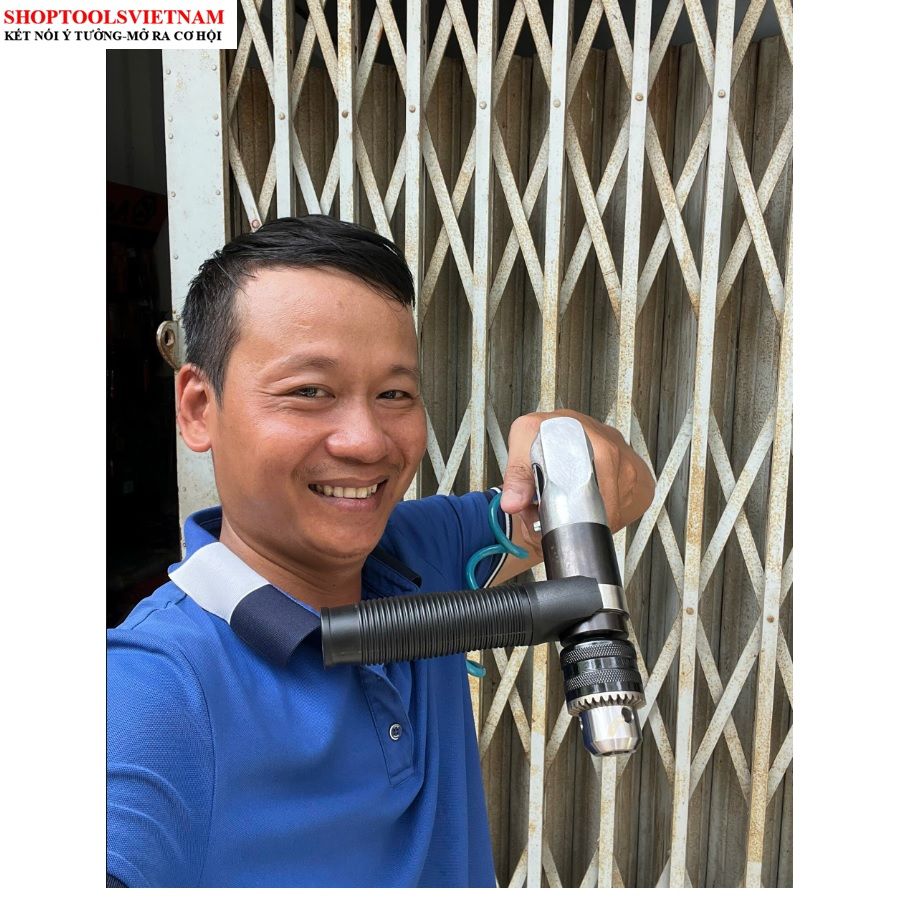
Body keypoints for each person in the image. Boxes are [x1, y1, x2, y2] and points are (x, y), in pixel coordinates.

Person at [106, 215, 654, 888]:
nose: (366, 441)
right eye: (310, 391)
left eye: (394, 394)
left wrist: (568, 446)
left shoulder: (424, 550)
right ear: (197, 407)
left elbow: (629, 491)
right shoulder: (155, 688)